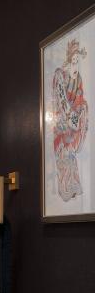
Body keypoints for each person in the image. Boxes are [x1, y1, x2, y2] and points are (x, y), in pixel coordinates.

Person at [52, 37, 88, 202]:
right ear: (69, 60)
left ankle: (73, 187)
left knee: (71, 158)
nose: (75, 64)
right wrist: (69, 118)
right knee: (63, 157)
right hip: (62, 125)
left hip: (72, 125)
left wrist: (81, 110)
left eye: (77, 61)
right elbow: (60, 102)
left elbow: (80, 100)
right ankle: (65, 189)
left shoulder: (78, 78)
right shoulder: (61, 76)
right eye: (73, 60)